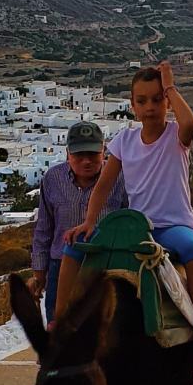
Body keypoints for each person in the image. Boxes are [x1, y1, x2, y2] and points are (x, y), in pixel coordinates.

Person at [59, 62, 193, 384]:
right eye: (142, 100)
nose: (149, 107)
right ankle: (62, 327)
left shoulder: (177, 136)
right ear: (132, 105)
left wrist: (171, 87)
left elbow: (190, 122)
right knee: (74, 249)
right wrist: (90, 221)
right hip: (138, 226)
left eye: (156, 99)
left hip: (174, 224)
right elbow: (104, 184)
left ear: (165, 103)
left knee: (192, 249)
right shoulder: (124, 140)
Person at [30, 121, 128, 320]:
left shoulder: (120, 178)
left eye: (92, 154)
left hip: (106, 264)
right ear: (67, 153)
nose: (86, 161)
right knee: (60, 330)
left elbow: (127, 218)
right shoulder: (52, 179)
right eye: (79, 155)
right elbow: (44, 228)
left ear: (103, 151)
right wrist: (39, 272)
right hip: (59, 267)